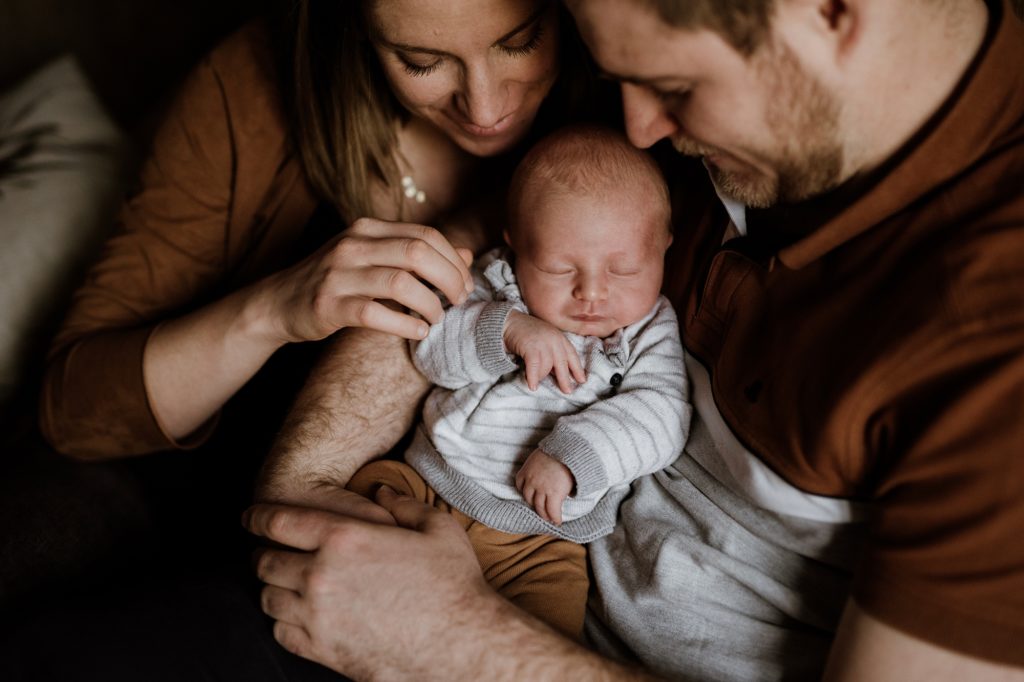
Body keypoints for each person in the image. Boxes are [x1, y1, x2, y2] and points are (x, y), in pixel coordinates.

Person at [247, 0, 1024, 680]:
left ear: (830, 9)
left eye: (675, 88)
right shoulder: (708, 98)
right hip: (413, 557)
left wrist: (450, 637)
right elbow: (469, 259)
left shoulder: (993, 343)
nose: (641, 130)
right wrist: (305, 493)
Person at [346, 125, 689, 639]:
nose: (591, 293)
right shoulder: (499, 285)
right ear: (517, 247)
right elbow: (431, 350)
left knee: (548, 635)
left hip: (541, 542)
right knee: (356, 503)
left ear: (663, 247)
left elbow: (663, 415)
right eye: (558, 268)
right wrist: (505, 330)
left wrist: (575, 457)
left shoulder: (648, 331)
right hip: (430, 484)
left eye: (623, 270)